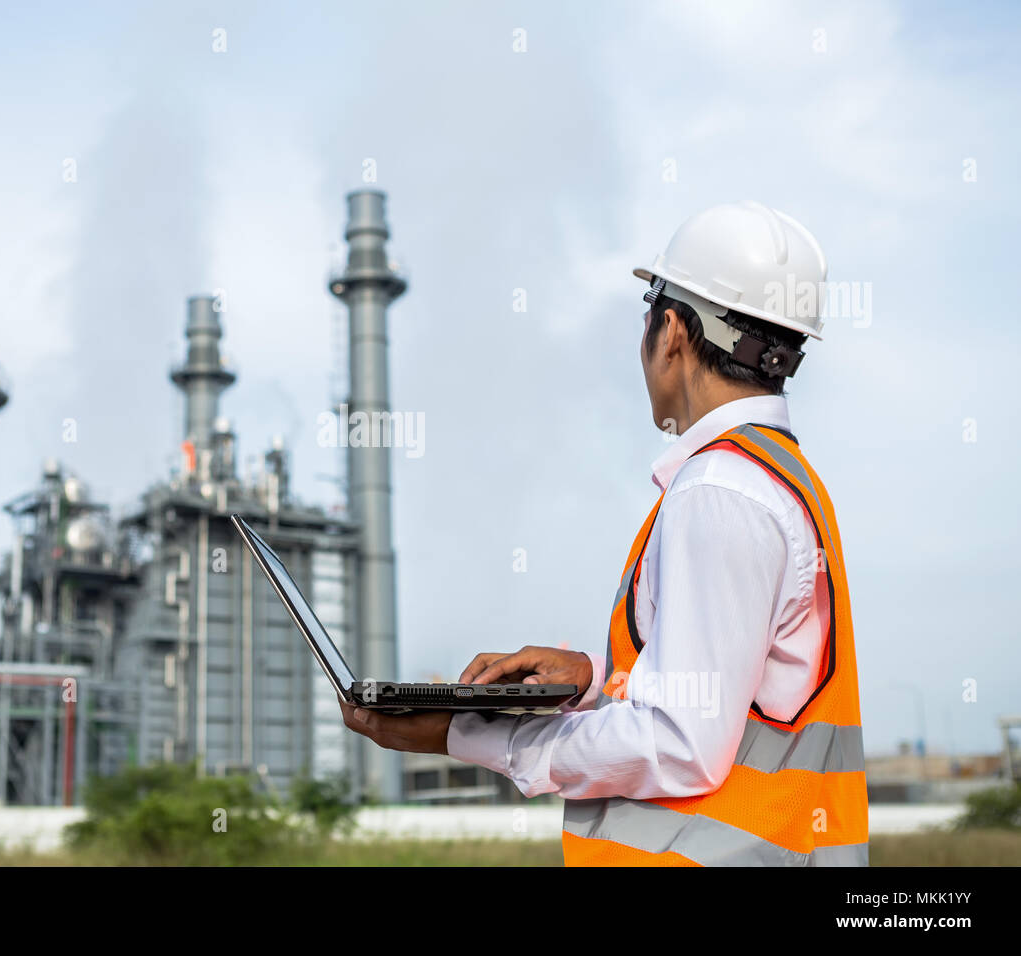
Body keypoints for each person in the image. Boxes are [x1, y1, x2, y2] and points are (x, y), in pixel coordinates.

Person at [340, 200, 867, 866]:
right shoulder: (781, 478)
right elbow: (735, 686)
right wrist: (596, 676)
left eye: (649, 307)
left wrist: (466, 735)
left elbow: (679, 745)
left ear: (671, 329)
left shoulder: (719, 493)